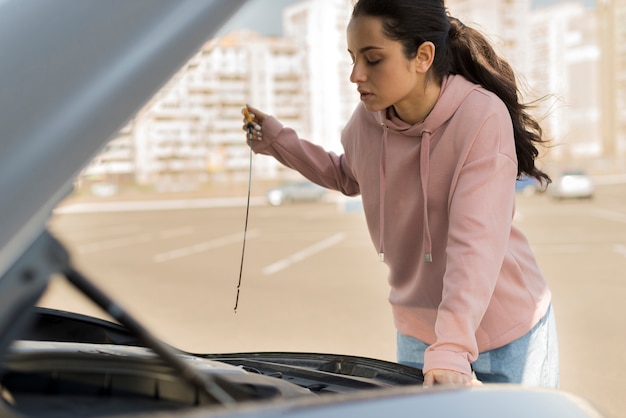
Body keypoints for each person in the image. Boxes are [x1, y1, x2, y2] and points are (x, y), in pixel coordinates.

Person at [242, 0, 559, 388]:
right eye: (352, 57)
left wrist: (453, 347)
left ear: (423, 56)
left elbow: (475, 240)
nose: (355, 75)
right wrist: (277, 140)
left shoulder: (480, 116)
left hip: (505, 331)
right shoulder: (368, 122)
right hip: (420, 334)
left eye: (373, 59)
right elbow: (348, 174)